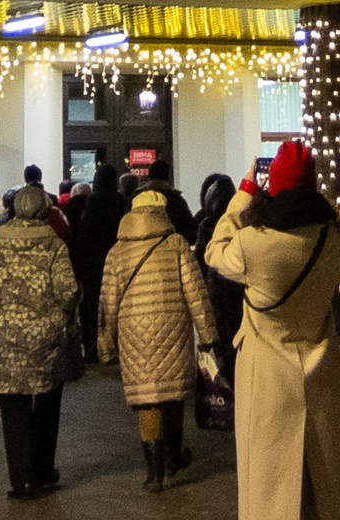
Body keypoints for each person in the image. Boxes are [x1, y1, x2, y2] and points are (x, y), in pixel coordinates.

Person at [206, 140, 340, 520]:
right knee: (326, 478)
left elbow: (214, 251)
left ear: (272, 186)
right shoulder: (338, 237)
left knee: (270, 479)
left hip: (267, 374)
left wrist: (243, 196)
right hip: (321, 370)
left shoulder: (252, 244)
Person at [99, 159, 218, 488]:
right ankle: (174, 457)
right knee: (173, 394)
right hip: (173, 328)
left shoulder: (116, 253)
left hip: (133, 333)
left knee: (148, 398)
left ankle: (153, 472)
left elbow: (107, 303)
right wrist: (207, 334)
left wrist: (106, 345)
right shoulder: (177, 244)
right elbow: (195, 291)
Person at [0, 183, 84, 500]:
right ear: (45, 212)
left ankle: (20, 481)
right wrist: (63, 319)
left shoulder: (0, 247)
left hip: (3, 338)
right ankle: (43, 470)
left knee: (12, 410)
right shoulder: (54, 247)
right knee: (47, 403)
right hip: (44, 340)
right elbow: (68, 291)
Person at [190, 171, 245, 379]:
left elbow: (201, 261)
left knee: (221, 342)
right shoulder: (244, 221)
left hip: (216, 294)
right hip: (239, 290)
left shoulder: (206, 224)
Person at [71, 156, 124, 339]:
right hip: (118, 261)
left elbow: (85, 234)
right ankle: (113, 341)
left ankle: (94, 342)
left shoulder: (93, 202)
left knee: (93, 305)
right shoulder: (121, 201)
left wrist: (79, 265)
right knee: (117, 303)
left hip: (93, 263)